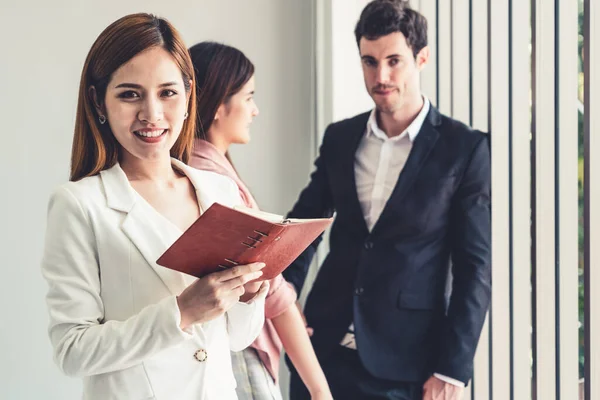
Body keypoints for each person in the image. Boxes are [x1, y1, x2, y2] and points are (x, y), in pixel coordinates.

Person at [41, 14, 269, 400]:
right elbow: (72, 351)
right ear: (99, 101)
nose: (152, 114)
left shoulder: (220, 191)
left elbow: (234, 339)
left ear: (188, 95)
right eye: (130, 94)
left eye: (167, 93)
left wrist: (247, 296)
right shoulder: (80, 205)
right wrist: (181, 312)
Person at [282, 1, 492, 399]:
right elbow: (302, 225)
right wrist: (286, 296)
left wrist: (452, 368)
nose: (381, 76)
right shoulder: (340, 138)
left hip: (406, 364)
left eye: (394, 61)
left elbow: (475, 265)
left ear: (422, 58)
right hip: (321, 351)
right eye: (369, 61)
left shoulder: (463, 148)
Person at [187, 41, 332, 400]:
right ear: (220, 105)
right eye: (248, 97)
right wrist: (319, 389)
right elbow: (274, 294)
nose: (255, 110)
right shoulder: (212, 183)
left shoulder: (192, 171)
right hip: (237, 357)